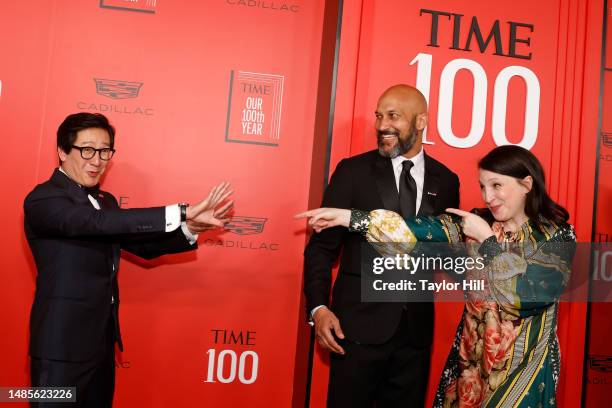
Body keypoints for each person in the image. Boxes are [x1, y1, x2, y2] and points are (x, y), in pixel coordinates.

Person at [298, 145, 576, 408]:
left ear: (527, 184)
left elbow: (529, 296)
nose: (488, 197)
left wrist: (488, 241)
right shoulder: (474, 222)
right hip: (471, 368)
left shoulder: (557, 236)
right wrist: (352, 218)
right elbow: (417, 230)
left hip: (522, 371)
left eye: (497, 186)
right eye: (483, 186)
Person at [24, 112, 233, 407]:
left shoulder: (106, 201)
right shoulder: (43, 199)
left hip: (101, 348)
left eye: (105, 151)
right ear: (61, 151)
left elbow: (143, 245)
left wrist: (190, 228)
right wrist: (181, 211)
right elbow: (93, 223)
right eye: (86, 150)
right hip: (59, 350)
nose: (97, 160)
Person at [303, 84, 459, 407]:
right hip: (355, 331)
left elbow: (447, 256)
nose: (382, 125)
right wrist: (318, 309)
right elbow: (321, 249)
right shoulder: (353, 172)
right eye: (378, 116)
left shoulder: (446, 181)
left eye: (393, 116)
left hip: (414, 338)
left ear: (420, 121)